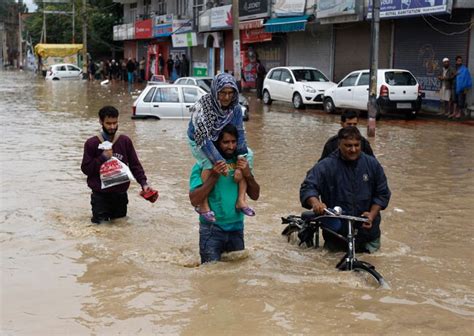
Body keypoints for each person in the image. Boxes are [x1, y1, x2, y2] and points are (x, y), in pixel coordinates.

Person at [300, 126, 391, 253]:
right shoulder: (326, 166)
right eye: (348, 145)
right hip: (336, 233)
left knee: (374, 264)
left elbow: (382, 193)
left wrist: (372, 214)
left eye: (356, 145)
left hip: (368, 233)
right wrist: (316, 203)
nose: (353, 149)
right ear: (339, 145)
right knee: (332, 268)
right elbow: (308, 186)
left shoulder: (372, 165)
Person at [187, 73, 254, 222]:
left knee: (247, 157)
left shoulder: (235, 108)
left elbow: (240, 133)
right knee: (208, 163)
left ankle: (241, 200)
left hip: (222, 138)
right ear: (215, 91)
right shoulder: (203, 107)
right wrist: (219, 162)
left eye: (230, 93)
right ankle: (203, 205)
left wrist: (240, 161)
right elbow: (203, 139)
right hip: (199, 139)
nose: (226, 97)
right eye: (222, 93)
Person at [189, 124, 260, 264]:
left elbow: (255, 195)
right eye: (226, 142)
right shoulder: (203, 165)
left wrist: (248, 174)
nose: (231, 146)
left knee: (236, 277)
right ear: (217, 143)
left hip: (237, 228)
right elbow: (194, 199)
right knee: (210, 275)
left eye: (234, 142)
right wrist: (214, 176)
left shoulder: (242, 162)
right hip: (211, 231)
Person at [81, 106, 154, 224]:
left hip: (120, 196)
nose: (112, 127)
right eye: (108, 123)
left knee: (120, 229)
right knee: (101, 230)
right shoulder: (92, 143)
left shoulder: (125, 141)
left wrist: (144, 184)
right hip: (100, 197)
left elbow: (135, 166)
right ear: (101, 122)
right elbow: (86, 169)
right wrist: (103, 157)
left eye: (115, 123)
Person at [449, 55, 472, 120]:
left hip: (461, 88)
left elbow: (468, 78)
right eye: (458, 61)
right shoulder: (454, 69)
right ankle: (454, 112)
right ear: (456, 61)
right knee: (454, 100)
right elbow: (450, 77)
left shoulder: (464, 69)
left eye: (461, 61)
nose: (460, 62)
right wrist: (455, 74)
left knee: (460, 101)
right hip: (454, 86)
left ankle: (459, 113)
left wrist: (467, 87)